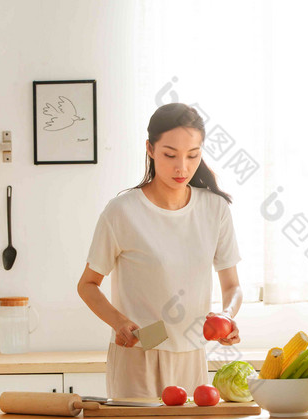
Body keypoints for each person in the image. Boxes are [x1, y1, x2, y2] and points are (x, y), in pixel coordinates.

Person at [77, 103, 243, 399]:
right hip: (140, 351)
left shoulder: (214, 208)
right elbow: (87, 285)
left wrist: (227, 317)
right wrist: (118, 321)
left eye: (193, 155)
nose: (183, 167)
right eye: (170, 154)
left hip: (192, 351)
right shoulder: (122, 211)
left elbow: (232, 286)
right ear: (150, 149)